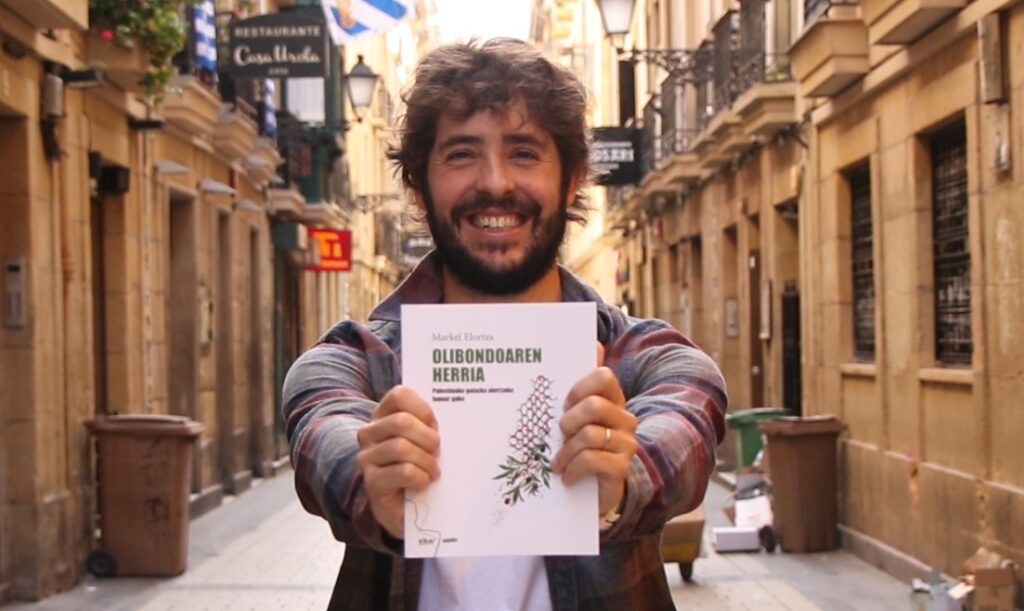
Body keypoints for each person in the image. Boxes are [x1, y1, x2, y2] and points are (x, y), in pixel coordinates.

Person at [282, 38, 727, 611]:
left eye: (524, 152)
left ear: (572, 180)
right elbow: (322, 432)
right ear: (419, 187)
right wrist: (374, 486)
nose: (495, 183)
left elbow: (688, 424)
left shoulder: (648, 356)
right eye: (461, 154)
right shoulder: (351, 361)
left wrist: (622, 476)